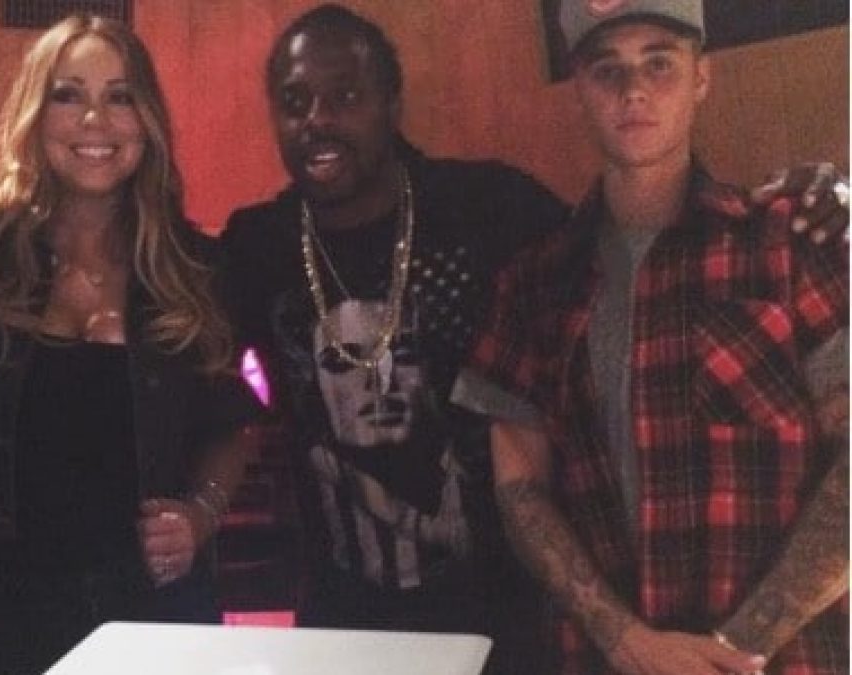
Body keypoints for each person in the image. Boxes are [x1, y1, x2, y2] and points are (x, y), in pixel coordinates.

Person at [221, 4, 846, 674]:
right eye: (295, 101)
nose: (318, 119)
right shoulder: (258, 248)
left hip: (525, 627)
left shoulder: (495, 210)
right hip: (363, 622)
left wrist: (829, 197)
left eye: (659, 63)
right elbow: (521, 482)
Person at [452, 1, 848, 673]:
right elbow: (520, 486)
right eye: (607, 70)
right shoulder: (535, 284)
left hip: (784, 661)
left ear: (701, 77)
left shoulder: (788, 248)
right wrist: (624, 639)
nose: (633, 90)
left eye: (658, 63)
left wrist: (739, 647)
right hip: (605, 661)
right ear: (580, 89)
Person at [0, 15, 261, 675]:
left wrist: (199, 516)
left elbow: (229, 425)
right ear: (34, 114)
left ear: (147, 119)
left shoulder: (196, 267)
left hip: (154, 610)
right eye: (68, 94)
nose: (95, 119)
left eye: (120, 96)